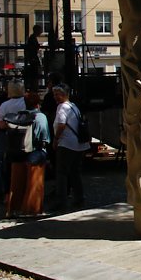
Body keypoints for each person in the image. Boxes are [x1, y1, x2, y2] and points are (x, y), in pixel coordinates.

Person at [49, 84, 90, 212]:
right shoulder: (73, 106)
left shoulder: (62, 108)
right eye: (54, 94)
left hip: (66, 144)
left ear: (64, 95)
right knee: (75, 172)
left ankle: (61, 201)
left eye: (57, 94)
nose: (55, 97)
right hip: (78, 144)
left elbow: (61, 125)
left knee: (62, 173)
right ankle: (79, 198)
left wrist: (55, 139)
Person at [24, 24, 43, 91]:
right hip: (33, 59)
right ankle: (34, 88)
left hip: (33, 59)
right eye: (40, 30)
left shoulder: (32, 38)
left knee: (35, 75)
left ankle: (34, 88)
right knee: (35, 75)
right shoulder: (32, 38)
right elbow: (33, 49)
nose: (41, 32)